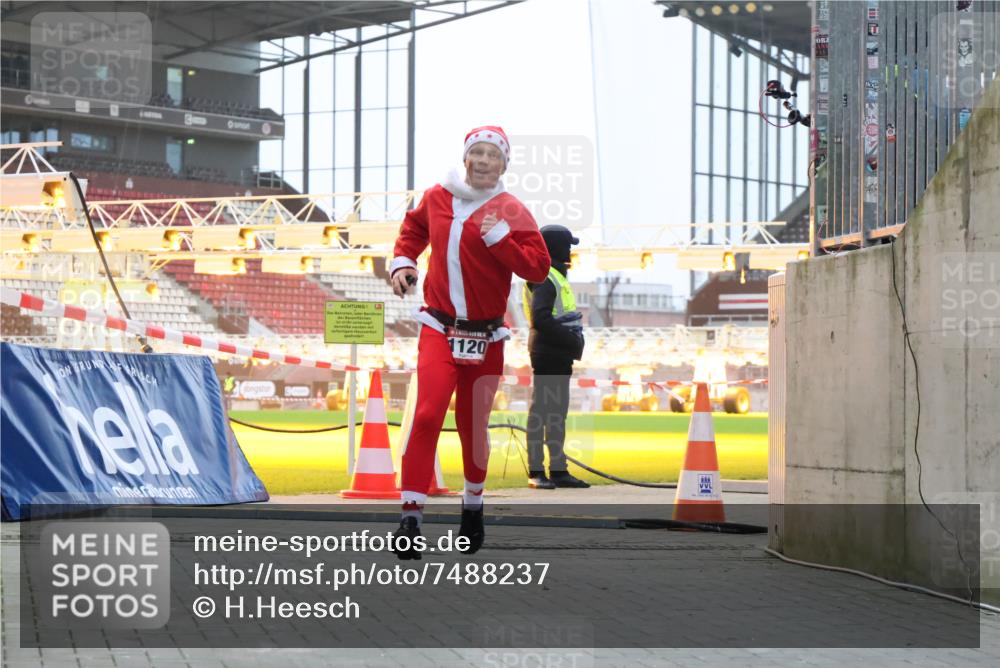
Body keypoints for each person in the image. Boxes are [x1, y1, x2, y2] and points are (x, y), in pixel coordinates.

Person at [388, 125, 550, 559]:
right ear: (465, 158)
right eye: (476, 153)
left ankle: (472, 507)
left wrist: (501, 240)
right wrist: (403, 263)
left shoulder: (511, 209)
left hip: (486, 335)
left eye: (492, 155)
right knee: (426, 415)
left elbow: (537, 267)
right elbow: (413, 230)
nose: (482, 161)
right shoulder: (438, 195)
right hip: (439, 327)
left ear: (503, 165)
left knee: (472, 426)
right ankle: (410, 518)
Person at [522, 226, 590, 489]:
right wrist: (570, 339)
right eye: (567, 245)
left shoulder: (555, 277)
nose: (570, 251)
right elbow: (541, 318)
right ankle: (537, 472)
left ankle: (559, 471)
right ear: (554, 248)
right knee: (542, 413)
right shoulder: (546, 277)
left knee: (556, 415)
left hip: (557, 354)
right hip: (548, 353)